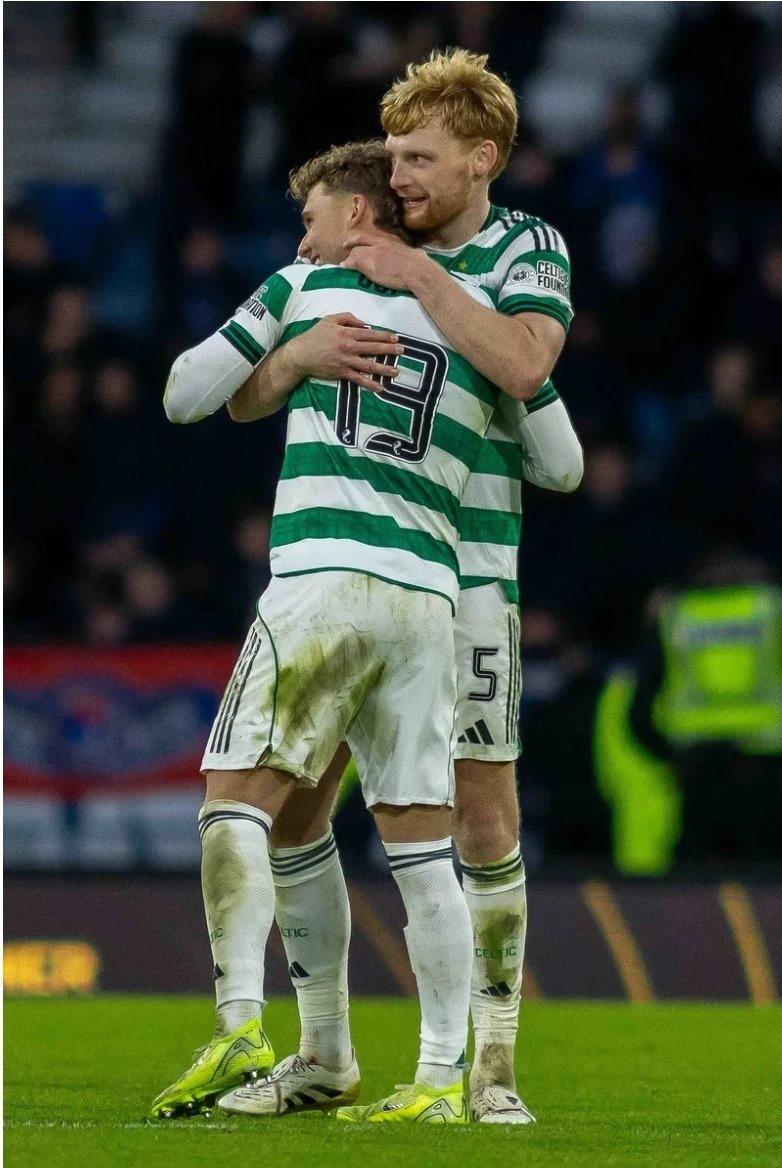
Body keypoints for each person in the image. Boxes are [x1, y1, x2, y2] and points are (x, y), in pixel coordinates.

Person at [217, 49, 578, 1125]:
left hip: (472, 572)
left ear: (482, 159)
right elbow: (244, 391)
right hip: (354, 562)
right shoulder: (367, 243)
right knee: (300, 806)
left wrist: (419, 278)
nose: (400, 174)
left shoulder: (525, 247)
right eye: (395, 156)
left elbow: (526, 366)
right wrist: (294, 358)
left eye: (420, 156)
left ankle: (492, 1066)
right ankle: (322, 1052)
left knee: (481, 814)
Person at [152, 139, 526, 1125]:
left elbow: (185, 393)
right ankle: (433, 1077)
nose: (301, 237)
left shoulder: (304, 291)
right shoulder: (471, 323)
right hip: (428, 601)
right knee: (415, 847)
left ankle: (242, 1022)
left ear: (357, 214)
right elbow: (551, 449)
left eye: (311, 215)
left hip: (323, 583)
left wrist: (288, 355)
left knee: (234, 803)